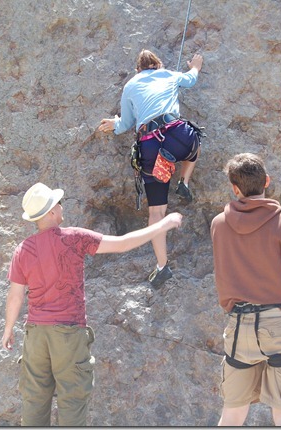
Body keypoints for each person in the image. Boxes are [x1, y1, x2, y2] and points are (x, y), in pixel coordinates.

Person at [1, 182, 183, 426]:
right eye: (59, 203)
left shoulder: (22, 250)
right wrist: (163, 224)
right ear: (53, 211)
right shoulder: (74, 238)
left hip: (34, 334)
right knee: (72, 400)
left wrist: (8, 329)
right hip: (68, 332)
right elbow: (122, 243)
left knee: (34, 401)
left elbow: (15, 296)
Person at [210, 153, 281, 426]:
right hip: (280, 322)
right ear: (266, 181)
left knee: (232, 413)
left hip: (239, 326)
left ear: (235, 188)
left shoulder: (219, 224)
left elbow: (223, 274)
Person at [98, 49, 204, 288]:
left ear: (138, 69)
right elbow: (191, 78)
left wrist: (112, 124)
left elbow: (125, 124)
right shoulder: (167, 74)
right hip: (177, 137)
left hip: (151, 147)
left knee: (157, 213)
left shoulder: (130, 86)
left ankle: (162, 266)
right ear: (157, 65)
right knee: (195, 141)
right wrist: (196, 65)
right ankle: (184, 182)